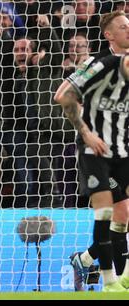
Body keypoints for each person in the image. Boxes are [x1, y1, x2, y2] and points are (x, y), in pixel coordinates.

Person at [60, 10, 129, 291]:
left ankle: (86, 259)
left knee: (121, 214)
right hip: (99, 151)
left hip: (123, 147)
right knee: (120, 212)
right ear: (109, 35)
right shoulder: (97, 63)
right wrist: (86, 132)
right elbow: (65, 93)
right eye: (124, 26)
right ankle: (114, 279)